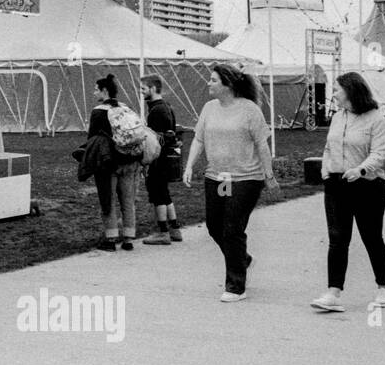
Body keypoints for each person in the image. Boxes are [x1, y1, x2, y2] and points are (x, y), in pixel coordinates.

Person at [182, 64, 279, 302]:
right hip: (219, 178)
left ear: (228, 85)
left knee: (233, 228)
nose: (209, 83)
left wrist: (269, 176)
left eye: (213, 80)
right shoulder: (209, 108)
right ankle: (242, 259)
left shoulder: (250, 110)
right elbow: (198, 139)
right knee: (215, 226)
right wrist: (189, 165)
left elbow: (262, 145)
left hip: (246, 179)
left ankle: (236, 285)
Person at [311, 72, 385, 312]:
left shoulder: (377, 119)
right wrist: (326, 171)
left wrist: (361, 169)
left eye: (337, 89)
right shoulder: (338, 116)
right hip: (336, 185)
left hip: (368, 186)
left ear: (350, 90)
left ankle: (384, 287)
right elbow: (329, 147)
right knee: (337, 239)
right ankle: (333, 293)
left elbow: (379, 154)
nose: (333, 94)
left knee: (371, 237)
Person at [87, 74, 141, 251]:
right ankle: (128, 238)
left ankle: (110, 239)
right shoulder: (126, 108)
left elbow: (92, 139)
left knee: (108, 200)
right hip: (131, 160)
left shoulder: (98, 112)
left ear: (104, 90)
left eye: (96, 89)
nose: (94, 92)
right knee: (128, 201)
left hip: (109, 163)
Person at [139, 75, 183, 245]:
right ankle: (175, 229)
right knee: (164, 193)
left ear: (152, 88)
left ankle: (163, 232)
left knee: (157, 193)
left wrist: (147, 162)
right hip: (167, 159)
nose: (141, 92)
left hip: (158, 159)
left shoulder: (156, 111)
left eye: (143, 89)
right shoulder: (166, 106)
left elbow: (153, 141)